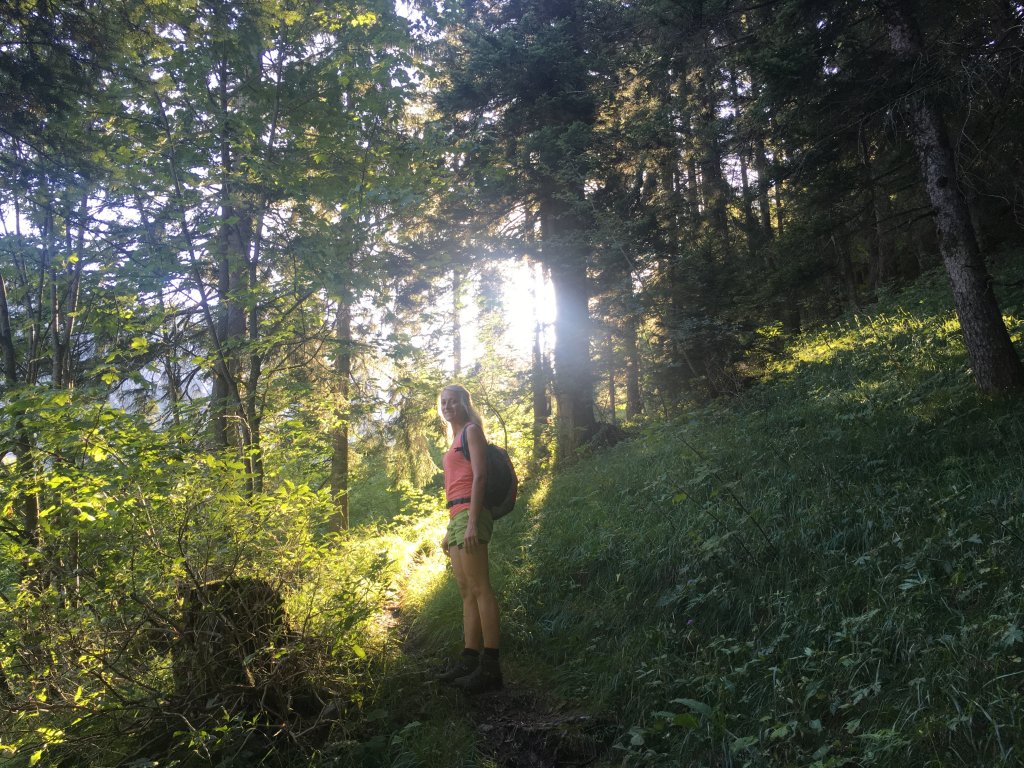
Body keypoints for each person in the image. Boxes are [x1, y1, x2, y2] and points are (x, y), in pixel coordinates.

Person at [434, 384, 503, 693]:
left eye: (452, 401)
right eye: (443, 402)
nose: (447, 406)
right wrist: (451, 529)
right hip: (457, 515)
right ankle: (469, 659)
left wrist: (473, 521)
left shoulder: (472, 431)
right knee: (466, 591)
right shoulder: (453, 441)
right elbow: (455, 486)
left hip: (470, 514)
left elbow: (480, 476)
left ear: (463, 404)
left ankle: (491, 667)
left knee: (480, 588)